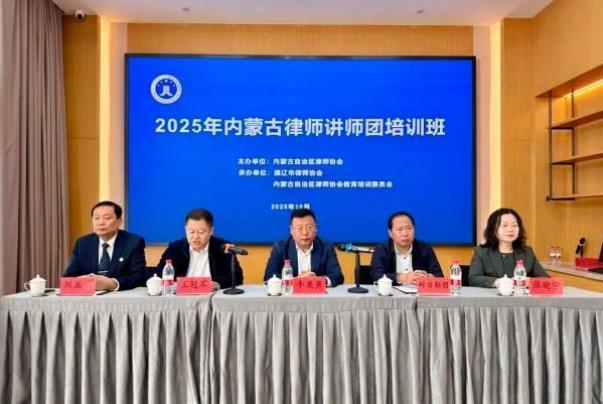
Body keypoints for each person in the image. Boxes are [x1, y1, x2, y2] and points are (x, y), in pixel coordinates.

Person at [64, 201, 146, 291]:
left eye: (107, 218)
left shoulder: (133, 242)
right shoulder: (83, 243)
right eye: (96, 218)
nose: (100, 222)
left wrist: (113, 283)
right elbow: (68, 277)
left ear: (119, 221)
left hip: (121, 296)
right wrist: (83, 281)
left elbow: (138, 276)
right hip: (89, 296)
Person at [153, 208, 243, 289]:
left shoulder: (222, 247)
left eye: (201, 232)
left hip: (212, 297)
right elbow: (160, 275)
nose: (195, 236)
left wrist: (217, 284)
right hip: (181, 298)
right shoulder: (175, 248)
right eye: (191, 232)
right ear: (185, 230)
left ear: (211, 231)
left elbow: (237, 278)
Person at [469, 207, 548, 287]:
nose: (510, 229)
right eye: (504, 225)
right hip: (493, 294)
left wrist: (530, 281)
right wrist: (498, 282)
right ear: (493, 229)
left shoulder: (527, 252)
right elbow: (473, 278)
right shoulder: (481, 252)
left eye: (514, 225)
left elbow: (546, 279)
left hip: (521, 294)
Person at [263, 208, 344, 287]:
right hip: (290, 294)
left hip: (318, 294)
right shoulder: (280, 247)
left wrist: (318, 281)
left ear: (315, 228)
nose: (305, 233)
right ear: (291, 230)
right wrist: (297, 280)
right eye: (299, 228)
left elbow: (338, 276)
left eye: (309, 227)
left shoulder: (326, 247)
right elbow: (269, 276)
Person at [370, 211, 443, 285]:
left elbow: (439, 276)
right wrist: (401, 277)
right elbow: (376, 275)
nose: (405, 233)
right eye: (400, 229)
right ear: (390, 233)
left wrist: (429, 277)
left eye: (408, 228)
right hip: (391, 291)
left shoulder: (424, 248)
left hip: (418, 291)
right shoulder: (382, 249)